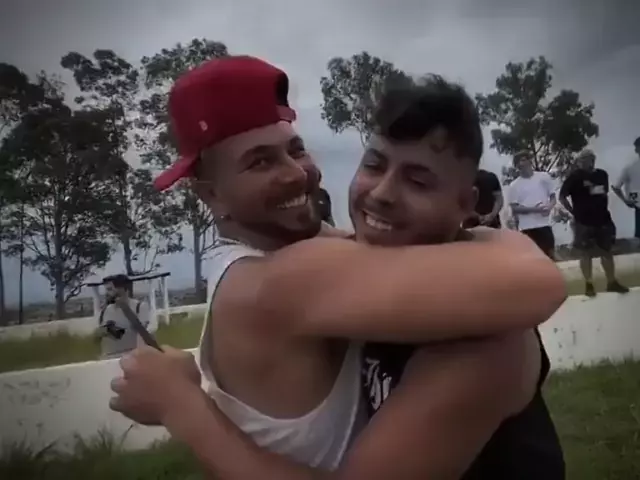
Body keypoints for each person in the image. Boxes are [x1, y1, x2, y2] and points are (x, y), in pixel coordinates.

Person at [110, 59, 566, 478]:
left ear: (466, 203)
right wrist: (181, 406)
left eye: (296, 150)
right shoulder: (283, 278)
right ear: (210, 193)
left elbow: (536, 280)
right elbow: (537, 279)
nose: (296, 174)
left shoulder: (481, 337)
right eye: (259, 162)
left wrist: (183, 406)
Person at [559, 149, 629, 297]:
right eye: (583, 159)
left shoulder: (602, 174)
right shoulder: (574, 177)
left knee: (607, 251)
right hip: (583, 221)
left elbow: (601, 191)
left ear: (593, 159)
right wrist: (573, 211)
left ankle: (611, 282)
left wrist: (590, 188)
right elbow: (562, 197)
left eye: (589, 158)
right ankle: (589, 284)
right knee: (585, 253)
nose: (586, 161)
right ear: (579, 161)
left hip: (603, 219)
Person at [508, 151, 557, 258]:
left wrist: (549, 207)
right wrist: (535, 209)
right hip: (526, 228)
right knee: (532, 259)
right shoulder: (514, 185)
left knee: (549, 257)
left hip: (544, 225)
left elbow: (553, 198)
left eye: (523, 160)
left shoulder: (544, 177)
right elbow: (515, 208)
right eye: (518, 162)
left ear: (530, 161)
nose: (521, 164)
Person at [94, 274, 152, 359]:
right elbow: (99, 335)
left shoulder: (139, 307)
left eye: (110, 289)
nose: (107, 293)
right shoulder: (106, 310)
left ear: (123, 288)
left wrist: (112, 330)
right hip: (108, 358)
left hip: (131, 357)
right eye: (106, 290)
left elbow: (140, 333)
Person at [612, 136, 640, 246]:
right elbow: (616, 187)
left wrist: (626, 200)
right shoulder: (630, 167)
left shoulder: (630, 167)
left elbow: (616, 187)